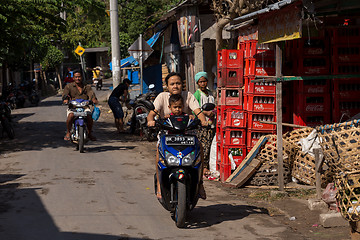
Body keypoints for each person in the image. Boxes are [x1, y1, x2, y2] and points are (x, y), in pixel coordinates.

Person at [147, 72, 208, 200]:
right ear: (167, 86)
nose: (175, 86)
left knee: (199, 149)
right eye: (172, 84)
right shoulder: (162, 97)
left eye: (178, 83)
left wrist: (203, 120)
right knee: (159, 153)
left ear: (182, 85)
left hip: (187, 134)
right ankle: (159, 184)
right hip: (166, 135)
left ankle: (200, 183)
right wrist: (150, 120)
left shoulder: (188, 96)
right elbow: (152, 113)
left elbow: (198, 111)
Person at [62, 70, 98, 141]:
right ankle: (68, 132)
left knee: (89, 117)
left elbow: (91, 94)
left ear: (82, 77)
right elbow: (65, 95)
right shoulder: (69, 86)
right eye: (76, 77)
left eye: (79, 77)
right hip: (73, 107)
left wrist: (93, 99)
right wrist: (65, 99)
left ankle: (90, 133)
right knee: (70, 116)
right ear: (73, 78)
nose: (78, 78)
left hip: (84, 107)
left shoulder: (87, 87)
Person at [193, 72, 216, 178]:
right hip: (202, 125)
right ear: (198, 83)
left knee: (211, 145)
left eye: (204, 81)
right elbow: (195, 110)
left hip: (211, 124)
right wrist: (205, 114)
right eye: (201, 81)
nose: (203, 83)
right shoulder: (197, 94)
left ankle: (208, 166)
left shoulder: (210, 93)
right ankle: (203, 166)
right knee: (203, 147)